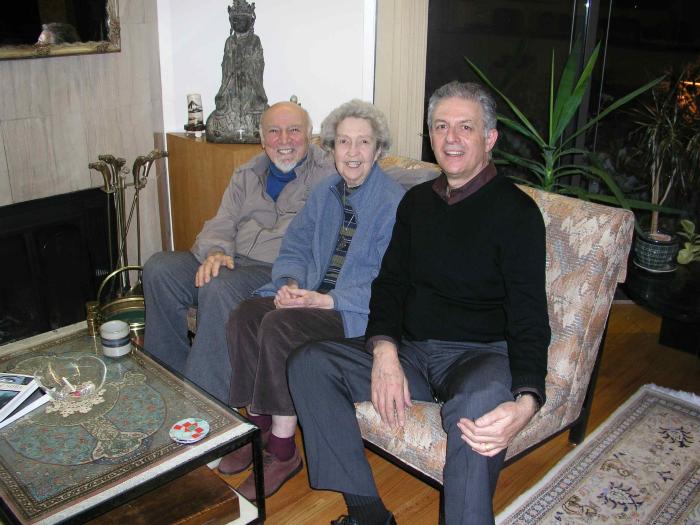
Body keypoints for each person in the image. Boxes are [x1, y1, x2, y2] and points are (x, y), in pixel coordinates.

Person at [287, 81, 551, 525]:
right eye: (441, 126)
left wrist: (527, 399)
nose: (451, 138)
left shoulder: (517, 214)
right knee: (309, 363)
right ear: (430, 136)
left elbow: (529, 315)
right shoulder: (415, 205)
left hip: (479, 356)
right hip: (412, 351)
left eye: (465, 127)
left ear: (489, 138)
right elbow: (389, 285)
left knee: (479, 410)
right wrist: (385, 351)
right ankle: (368, 514)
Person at [217, 100, 406, 501]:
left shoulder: (394, 204)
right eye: (343, 142)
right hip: (313, 296)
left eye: (363, 143)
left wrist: (325, 301)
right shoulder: (325, 192)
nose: (352, 152)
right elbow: (295, 248)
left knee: (279, 325)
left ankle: (283, 452)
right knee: (247, 313)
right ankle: (260, 428)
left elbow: (393, 283)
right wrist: (288, 283)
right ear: (332, 148)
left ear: (378, 150)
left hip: (354, 312)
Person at [143, 101, 335, 403]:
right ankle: (165, 381)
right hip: (234, 259)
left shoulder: (328, 175)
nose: (284, 140)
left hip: (276, 270)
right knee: (159, 268)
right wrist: (217, 252)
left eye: (294, 130)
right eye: (274, 131)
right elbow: (222, 221)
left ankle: (204, 405)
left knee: (219, 286)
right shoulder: (248, 172)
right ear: (262, 138)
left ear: (310, 135)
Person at [205, 0, 268, 142]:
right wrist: (233, 65)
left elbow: (258, 64)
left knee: (259, 109)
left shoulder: (255, 41)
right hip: (232, 85)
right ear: (231, 22)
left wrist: (247, 63)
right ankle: (226, 127)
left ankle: (253, 126)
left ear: (250, 21)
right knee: (220, 112)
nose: (238, 23)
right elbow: (226, 66)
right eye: (235, 20)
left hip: (250, 86)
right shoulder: (229, 42)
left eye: (242, 20)